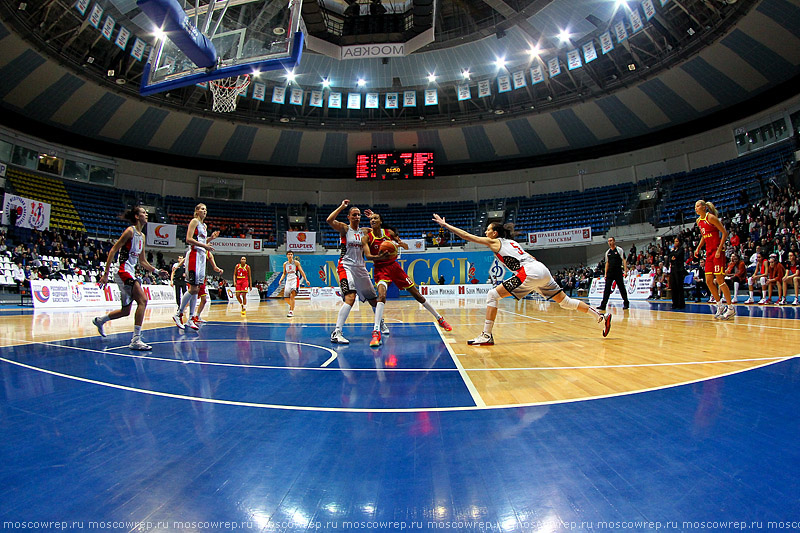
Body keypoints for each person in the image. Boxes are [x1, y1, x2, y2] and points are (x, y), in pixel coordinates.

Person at [432, 215, 611, 345]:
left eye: (488, 230)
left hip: (529, 272)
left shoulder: (495, 242)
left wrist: (445, 225)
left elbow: (466, 236)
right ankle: (600, 316)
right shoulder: (514, 243)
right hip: (541, 269)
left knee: (492, 295)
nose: (486, 232)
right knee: (565, 302)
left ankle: (486, 335)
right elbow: (529, 256)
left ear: (494, 234)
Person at [364, 211, 452, 347]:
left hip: (394, 267)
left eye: (376, 218)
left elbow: (402, 244)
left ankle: (440, 318)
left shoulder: (389, 233)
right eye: (371, 219)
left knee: (417, 294)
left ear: (381, 221)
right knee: (381, 296)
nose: (373, 220)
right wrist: (381, 257)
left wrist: (398, 245)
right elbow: (368, 257)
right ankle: (376, 332)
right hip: (380, 269)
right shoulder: (367, 237)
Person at [92, 206, 168, 350]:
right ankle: (135, 340)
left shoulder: (142, 236)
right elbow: (113, 250)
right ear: (136, 217)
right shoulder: (129, 231)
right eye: (143, 213)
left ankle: (100, 320)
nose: (146, 215)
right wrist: (106, 273)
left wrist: (157, 271)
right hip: (122, 270)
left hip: (130, 272)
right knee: (143, 300)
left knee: (126, 311)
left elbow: (143, 261)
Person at [326, 199, 388, 345]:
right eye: (354, 215)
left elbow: (381, 233)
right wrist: (342, 206)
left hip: (361, 268)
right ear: (349, 217)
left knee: (374, 299)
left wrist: (373, 217)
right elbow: (329, 220)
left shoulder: (365, 231)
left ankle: (380, 323)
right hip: (345, 266)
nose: (357, 217)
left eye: (358, 215)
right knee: (350, 298)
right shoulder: (345, 229)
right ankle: (337, 332)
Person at [174, 204, 215, 331]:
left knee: (197, 289)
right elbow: (189, 239)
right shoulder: (194, 222)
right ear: (197, 211)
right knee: (193, 288)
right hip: (194, 255)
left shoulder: (204, 225)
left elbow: (202, 241)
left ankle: (191, 318)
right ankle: (178, 313)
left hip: (202, 256)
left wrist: (210, 239)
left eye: (206, 209)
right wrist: (205, 246)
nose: (205, 211)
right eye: (202, 209)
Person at [693, 200, 736, 319]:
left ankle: (731, 308)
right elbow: (704, 235)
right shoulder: (699, 221)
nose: (695, 208)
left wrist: (719, 249)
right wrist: (698, 248)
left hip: (717, 252)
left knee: (720, 280)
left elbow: (724, 233)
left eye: (697, 206)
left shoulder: (711, 218)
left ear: (703, 207)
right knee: (708, 280)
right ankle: (719, 305)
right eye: (695, 207)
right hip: (709, 253)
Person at [189, 251, 223, 326]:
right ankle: (189, 317)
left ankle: (197, 316)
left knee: (204, 300)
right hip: (193, 276)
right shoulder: (194, 250)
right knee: (192, 298)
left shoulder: (208, 253)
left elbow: (215, 267)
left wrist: (219, 269)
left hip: (202, 279)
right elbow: (186, 259)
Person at [598, 237, 629, 311]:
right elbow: (607, 263)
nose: (609, 242)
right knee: (607, 289)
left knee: (621, 288)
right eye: (608, 241)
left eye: (611, 241)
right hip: (610, 272)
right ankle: (603, 305)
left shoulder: (619, 250)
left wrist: (625, 271)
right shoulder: (607, 252)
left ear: (614, 241)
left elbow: (624, 260)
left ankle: (626, 303)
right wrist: (605, 273)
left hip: (618, 271)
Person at [279, 251, 308, 318]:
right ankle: (293, 305)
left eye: (291, 254)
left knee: (292, 295)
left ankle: (291, 311)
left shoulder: (296, 263)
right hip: (288, 280)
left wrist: (306, 280)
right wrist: (281, 279)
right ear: (286, 256)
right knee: (286, 298)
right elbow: (284, 273)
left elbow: (301, 271)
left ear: (293, 255)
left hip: (295, 280)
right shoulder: (285, 264)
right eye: (289, 254)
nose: (290, 255)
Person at [668, 237, 686, 310]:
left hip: (679, 270)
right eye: (675, 241)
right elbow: (670, 257)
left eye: (677, 241)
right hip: (673, 270)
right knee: (673, 286)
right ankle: (674, 303)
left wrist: (673, 254)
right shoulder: (674, 250)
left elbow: (676, 256)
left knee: (679, 287)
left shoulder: (681, 249)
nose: (675, 243)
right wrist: (672, 256)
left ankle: (680, 304)